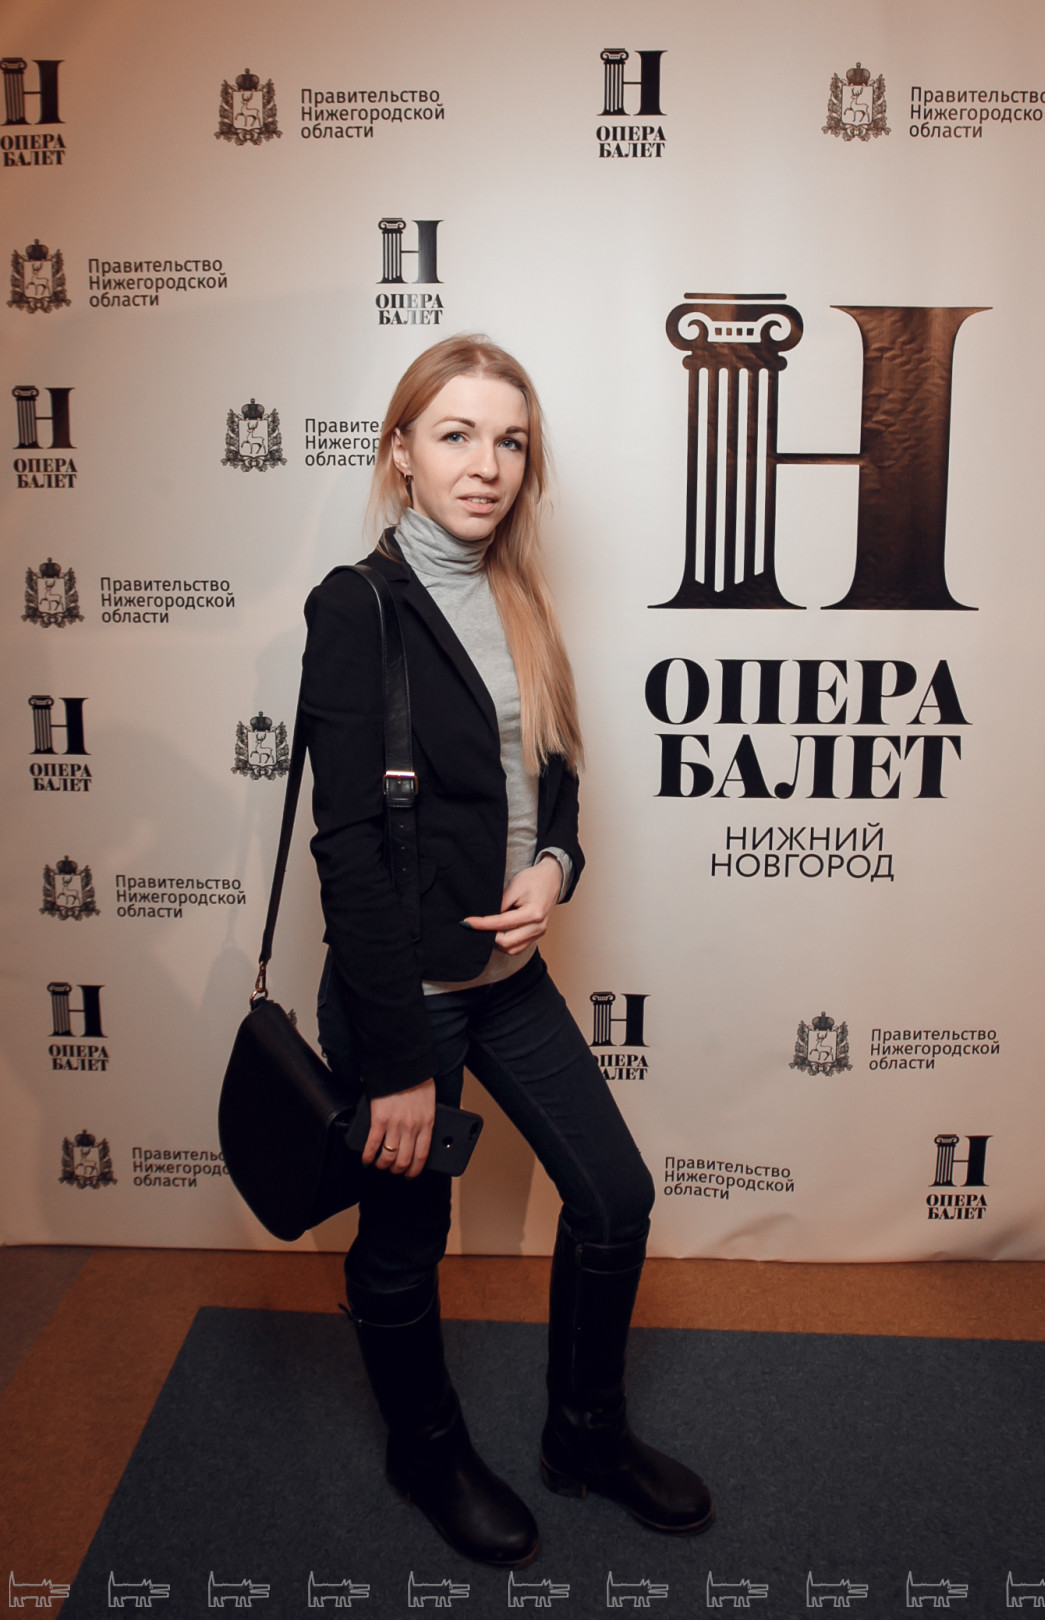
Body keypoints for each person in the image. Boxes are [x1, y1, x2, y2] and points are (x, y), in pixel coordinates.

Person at [300, 335, 712, 1568]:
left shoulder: (518, 595)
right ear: (401, 453)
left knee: (615, 1200)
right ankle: (426, 1452)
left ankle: (585, 1435)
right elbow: (348, 851)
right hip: (406, 1001)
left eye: (511, 442)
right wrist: (395, 1064)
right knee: (403, 1245)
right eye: (456, 435)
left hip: (509, 984)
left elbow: (558, 781)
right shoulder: (357, 607)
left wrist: (556, 868)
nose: (487, 465)